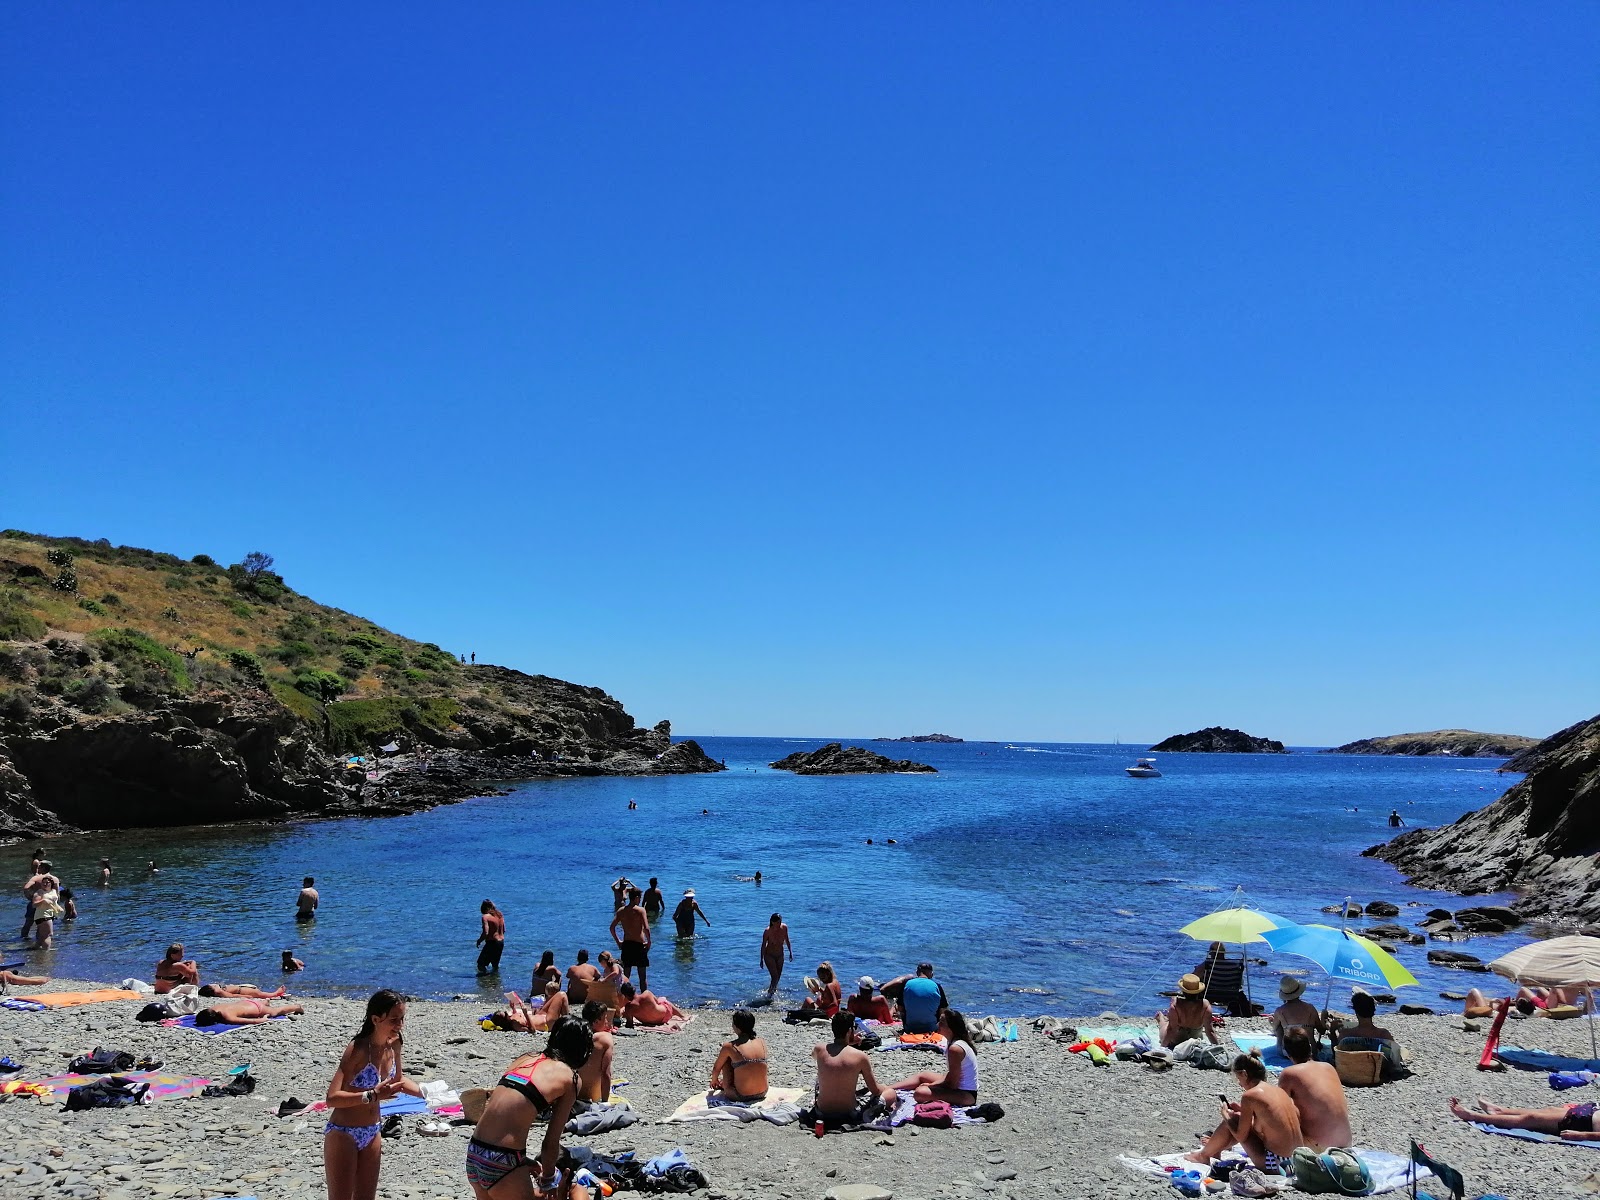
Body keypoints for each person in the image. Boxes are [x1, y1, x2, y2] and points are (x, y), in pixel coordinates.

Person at [466, 1017, 594, 1199]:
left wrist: (524, 1161)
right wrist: (549, 1179)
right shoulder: (570, 1078)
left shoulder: (525, 1058)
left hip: (475, 1152)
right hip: (504, 1159)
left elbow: (502, 1117)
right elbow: (550, 1143)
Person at [324, 989, 417, 1200]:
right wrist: (371, 1095)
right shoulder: (358, 1048)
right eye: (394, 1019)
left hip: (372, 1131)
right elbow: (332, 1098)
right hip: (343, 1133)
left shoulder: (394, 1045)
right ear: (376, 1019)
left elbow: (397, 1082)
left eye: (402, 1018)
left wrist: (431, 1096)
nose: (400, 1025)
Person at [1186, 1053, 1305, 1169]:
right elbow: (1272, 1123)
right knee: (1238, 1117)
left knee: (1234, 1119)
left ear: (1244, 1074)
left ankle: (1203, 1155)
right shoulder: (1278, 1091)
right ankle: (1214, 1150)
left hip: (1277, 1164)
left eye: (1238, 1078)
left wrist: (1226, 1116)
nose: (1239, 1083)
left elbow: (1240, 1136)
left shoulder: (1250, 1095)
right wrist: (1243, 1112)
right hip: (1297, 1161)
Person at [809, 1010, 890, 1128]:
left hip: (821, 1112)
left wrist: (847, 1044)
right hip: (848, 1114)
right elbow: (875, 1091)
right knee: (890, 1093)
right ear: (849, 1031)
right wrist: (886, 1088)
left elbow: (827, 1059)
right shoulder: (860, 1056)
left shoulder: (819, 1049)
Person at [885, 1009, 980, 1105]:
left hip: (965, 1094)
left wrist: (932, 1086)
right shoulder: (952, 1041)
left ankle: (889, 1089)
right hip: (957, 1086)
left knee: (920, 1093)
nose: (938, 1024)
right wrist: (933, 1085)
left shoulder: (955, 1048)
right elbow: (952, 1076)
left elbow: (952, 1084)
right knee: (923, 1075)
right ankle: (889, 1088)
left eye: (942, 1023)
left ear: (951, 1027)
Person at [1278, 1032, 1351, 1150]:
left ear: (1287, 1053)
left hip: (1320, 1146)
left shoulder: (1289, 1073)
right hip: (1346, 1142)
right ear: (1310, 1048)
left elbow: (1278, 1109)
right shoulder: (1328, 1067)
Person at [1448, 1095, 1600, 1141]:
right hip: (1591, 1111)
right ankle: (1500, 1110)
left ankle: (1473, 1116)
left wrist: (1582, 1135)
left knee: (1532, 1118)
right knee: (1548, 1110)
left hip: (1584, 1123)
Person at [1335, 991, 1407, 1075]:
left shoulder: (1346, 1034)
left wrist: (1333, 1033)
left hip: (1351, 1070)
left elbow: (1337, 1055)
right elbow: (1395, 1058)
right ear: (1373, 1011)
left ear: (1356, 1012)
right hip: (1376, 1072)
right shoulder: (1384, 1034)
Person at [709, 1009, 769, 1103]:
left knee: (727, 1059)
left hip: (741, 1096)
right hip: (763, 1092)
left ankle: (725, 1084)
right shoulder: (761, 1042)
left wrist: (714, 1081)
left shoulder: (730, 1046)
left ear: (737, 1027)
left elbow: (716, 1068)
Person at [1158, 973, 1220, 1048]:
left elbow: (1171, 1029)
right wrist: (1217, 1047)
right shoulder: (1205, 1005)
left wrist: (1162, 1047)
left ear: (1183, 991)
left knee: (1164, 1025)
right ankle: (1163, 1018)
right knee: (1168, 1021)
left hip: (1177, 1040)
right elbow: (1209, 1031)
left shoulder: (1175, 1005)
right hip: (1196, 1039)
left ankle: (1160, 1017)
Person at [883, 962, 948, 1034]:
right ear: (931, 974)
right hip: (931, 1029)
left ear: (917, 972)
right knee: (941, 1008)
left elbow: (900, 1008)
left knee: (903, 1006)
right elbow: (943, 1012)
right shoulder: (937, 986)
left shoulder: (907, 984)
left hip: (910, 1028)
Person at [609, 888, 651, 990]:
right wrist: (649, 942)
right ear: (636, 898)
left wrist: (618, 941)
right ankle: (644, 997)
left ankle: (624, 998)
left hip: (627, 945)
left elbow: (612, 928)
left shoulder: (621, 911)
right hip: (639, 945)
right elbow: (646, 928)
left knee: (625, 975)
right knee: (642, 976)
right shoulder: (640, 910)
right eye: (639, 898)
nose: (640, 900)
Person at [1270, 976, 1324, 1053]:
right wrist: (1323, 1018)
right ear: (1298, 992)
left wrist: (1271, 1022)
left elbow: (1274, 1028)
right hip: (1310, 1051)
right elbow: (1321, 1030)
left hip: (1290, 1052)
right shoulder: (1310, 1008)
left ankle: (1280, 1047)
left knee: (1278, 1027)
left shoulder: (1280, 1011)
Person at [1195, 941, 1250, 1016]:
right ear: (1224, 952)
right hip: (1231, 995)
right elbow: (1240, 984)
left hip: (1209, 994)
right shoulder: (1234, 966)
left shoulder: (1208, 964)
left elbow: (1194, 977)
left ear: (1212, 952)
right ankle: (1244, 1013)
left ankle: (1194, 1013)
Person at [578, 999, 616, 1103]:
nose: (607, 1022)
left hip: (572, 1094)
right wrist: (605, 1103)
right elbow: (606, 1074)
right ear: (596, 1022)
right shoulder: (605, 1039)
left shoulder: (575, 1034)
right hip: (592, 1097)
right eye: (605, 1018)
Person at [20, 860, 62, 948]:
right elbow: (57, 895)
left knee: (28, 924)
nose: (37, 868)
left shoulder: (36, 878)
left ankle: (23, 941)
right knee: (44, 928)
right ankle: (39, 945)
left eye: (39, 867)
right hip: (49, 907)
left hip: (36, 903)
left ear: (43, 868)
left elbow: (26, 888)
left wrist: (30, 898)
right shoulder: (55, 879)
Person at [617, 980, 684, 1027]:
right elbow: (657, 1002)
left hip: (648, 1022)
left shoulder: (629, 1007)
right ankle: (681, 1016)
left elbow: (629, 1024)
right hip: (665, 1016)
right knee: (662, 1000)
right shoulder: (647, 994)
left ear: (626, 995)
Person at [197, 997, 305, 1026]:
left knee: (276, 1012)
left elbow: (251, 1021)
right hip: (247, 1002)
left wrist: (263, 1019)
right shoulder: (216, 1006)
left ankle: (296, 1007)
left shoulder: (228, 1017)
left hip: (257, 1009)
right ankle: (265, 1001)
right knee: (263, 1004)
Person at [761, 913, 793, 996]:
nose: (779, 924)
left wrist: (790, 952)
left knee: (778, 976)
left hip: (780, 955)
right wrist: (761, 959)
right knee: (774, 976)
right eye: (777, 922)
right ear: (772, 922)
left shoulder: (784, 928)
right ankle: (769, 996)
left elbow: (787, 939)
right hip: (769, 955)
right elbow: (763, 945)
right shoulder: (767, 931)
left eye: (780, 922)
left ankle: (771, 992)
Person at [474, 900, 506, 975]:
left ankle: (485, 981)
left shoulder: (485, 917)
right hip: (501, 942)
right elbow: (504, 930)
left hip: (492, 942)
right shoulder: (500, 915)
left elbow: (486, 932)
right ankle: (495, 982)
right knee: (495, 965)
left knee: (480, 964)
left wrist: (479, 940)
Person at [199, 982, 289, 999]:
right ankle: (276, 993)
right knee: (261, 994)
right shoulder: (218, 991)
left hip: (241, 988)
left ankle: (276, 994)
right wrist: (246, 996)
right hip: (242, 991)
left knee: (260, 993)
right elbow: (231, 996)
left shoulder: (216, 990)